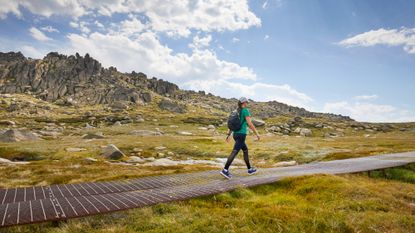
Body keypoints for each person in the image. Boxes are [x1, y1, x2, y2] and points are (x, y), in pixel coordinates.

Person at [220, 97, 260, 179]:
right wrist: (257, 133)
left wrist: (229, 135)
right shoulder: (245, 110)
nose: (247, 104)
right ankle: (225, 170)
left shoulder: (235, 111)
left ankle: (249, 169)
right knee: (234, 151)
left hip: (235, 134)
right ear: (244, 103)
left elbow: (232, 124)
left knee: (245, 150)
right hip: (242, 134)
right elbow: (249, 123)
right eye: (246, 102)